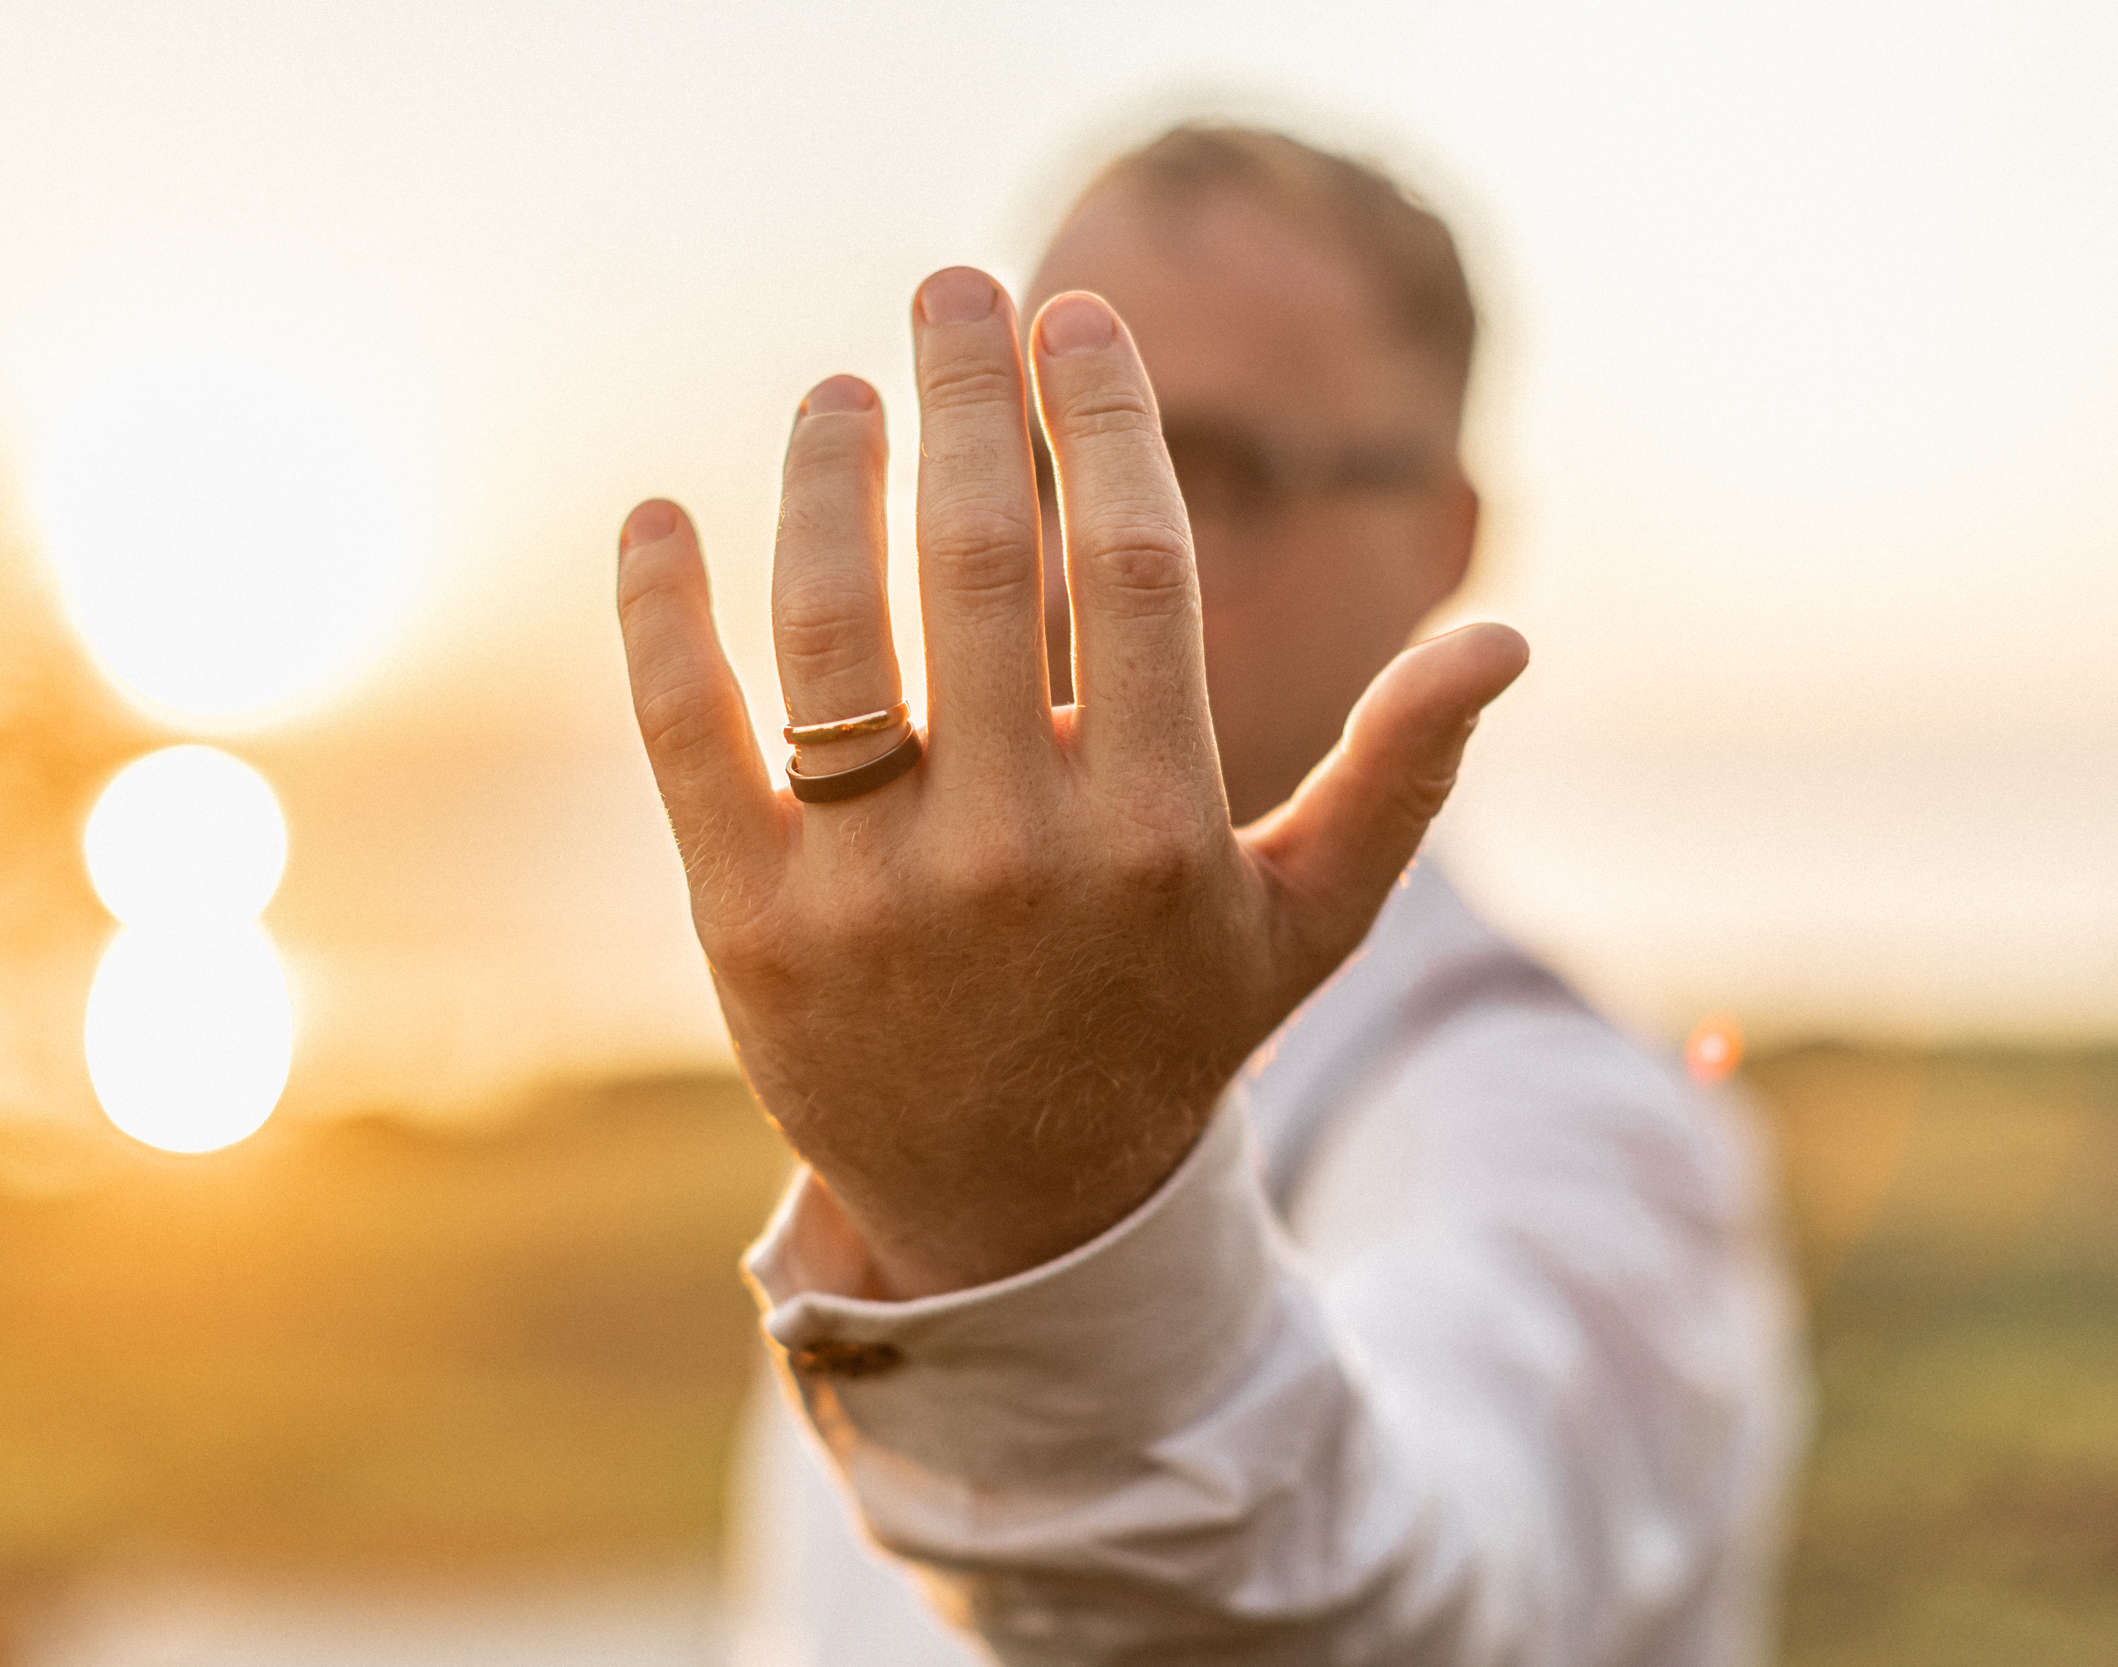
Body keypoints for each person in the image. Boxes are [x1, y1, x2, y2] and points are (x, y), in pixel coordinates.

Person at [615, 125, 1805, 1667]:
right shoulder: (946, 1065)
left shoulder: (1576, 1122)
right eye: (1048, 456)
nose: (1068, 568)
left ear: (1442, 538)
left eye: (1208, 475)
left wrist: (1038, 1242)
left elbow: (1420, 1602)